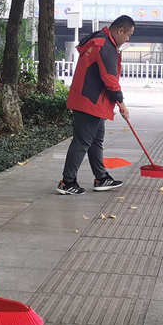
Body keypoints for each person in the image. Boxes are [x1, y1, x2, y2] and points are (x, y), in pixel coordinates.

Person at [57, 15, 135, 195]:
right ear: (120, 30)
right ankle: (67, 182)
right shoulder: (104, 45)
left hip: (94, 102)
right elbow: (110, 79)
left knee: (95, 141)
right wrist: (122, 104)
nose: (128, 39)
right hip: (89, 102)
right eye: (128, 35)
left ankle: (101, 178)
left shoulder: (102, 41)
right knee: (82, 141)